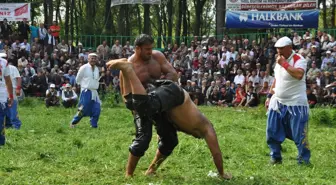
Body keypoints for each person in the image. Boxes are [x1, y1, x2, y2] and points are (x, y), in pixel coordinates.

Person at [106, 62, 232, 179]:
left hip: (165, 110)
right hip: (175, 95)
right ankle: (127, 69)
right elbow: (216, 153)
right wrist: (221, 173)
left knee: (169, 141)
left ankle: (151, 170)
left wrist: (161, 134)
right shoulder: (207, 128)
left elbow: (167, 129)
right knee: (143, 115)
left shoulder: (187, 126)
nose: (197, 137)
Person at [265, 36, 311, 165]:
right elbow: (276, 79)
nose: (278, 51)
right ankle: (275, 157)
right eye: (277, 49)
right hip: (278, 101)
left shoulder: (299, 59)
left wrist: (284, 64)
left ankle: (303, 160)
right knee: (272, 131)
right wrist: (269, 96)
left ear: (290, 48)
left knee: (299, 133)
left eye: (281, 49)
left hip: (296, 103)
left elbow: (298, 75)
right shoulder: (279, 60)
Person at [70, 53, 101, 128]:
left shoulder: (97, 68)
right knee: (83, 108)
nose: (93, 60)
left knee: (97, 108)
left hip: (94, 91)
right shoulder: (84, 67)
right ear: (88, 59)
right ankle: (73, 122)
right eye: (91, 58)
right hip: (86, 91)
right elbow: (78, 79)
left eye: (94, 58)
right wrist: (84, 86)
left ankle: (94, 125)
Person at [0, 54, 14, 146]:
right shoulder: (4, 62)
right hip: (2, 96)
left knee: (1, 120)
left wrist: (11, 96)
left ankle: (1, 142)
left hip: (1, 97)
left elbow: (8, 81)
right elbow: (8, 81)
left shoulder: (4, 62)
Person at [4, 59, 22, 129]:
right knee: (5, 108)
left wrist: (18, 88)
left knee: (12, 108)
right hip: (3, 90)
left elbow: (19, 78)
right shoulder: (1, 67)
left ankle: (16, 125)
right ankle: (8, 124)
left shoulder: (12, 68)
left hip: (13, 89)